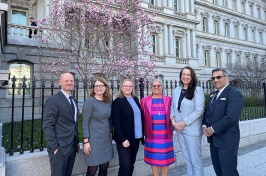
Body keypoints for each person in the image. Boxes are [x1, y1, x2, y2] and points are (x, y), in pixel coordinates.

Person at [202, 68, 244, 176]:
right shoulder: (212, 95)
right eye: (213, 78)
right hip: (214, 141)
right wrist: (204, 125)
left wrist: (213, 129)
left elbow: (230, 117)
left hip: (227, 141)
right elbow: (207, 113)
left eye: (218, 77)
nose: (215, 80)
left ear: (226, 78)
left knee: (229, 172)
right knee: (219, 171)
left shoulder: (234, 94)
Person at [42, 72, 79, 176]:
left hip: (72, 146)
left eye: (71, 81)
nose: (69, 83)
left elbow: (73, 123)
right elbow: (47, 125)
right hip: (59, 148)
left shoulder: (73, 101)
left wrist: (76, 141)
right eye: (66, 81)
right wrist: (54, 147)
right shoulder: (53, 100)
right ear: (60, 82)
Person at [171, 66, 205, 176]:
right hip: (179, 130)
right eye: (183, 74)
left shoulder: (197, 90)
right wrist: (173, 121)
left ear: (192, 76)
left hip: (192, 130)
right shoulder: (177, 90)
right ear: (180, 76)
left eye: (188, 75)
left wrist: (183, 122)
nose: (185, 77)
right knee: (187, 160)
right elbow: (173, 107)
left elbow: (199, 110)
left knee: (195, 161)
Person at [141, 78, 175, 176]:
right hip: (152, 136)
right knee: (154, 159)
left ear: (162, 87)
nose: (156, 88)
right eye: (154, 86)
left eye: (158, 86)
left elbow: (174, 114)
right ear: (151, 87)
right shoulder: (144, 101)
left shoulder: (168, 99)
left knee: (165, 159)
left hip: (165, 135)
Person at [112, 79, 144, 176]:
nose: (127, 88)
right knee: (125, 165)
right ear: (121, 88)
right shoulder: (118, 101)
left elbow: (139, 117)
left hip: (136, 137)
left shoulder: (135, 99)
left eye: (130, 86)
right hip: (124, 139)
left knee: (131, 164)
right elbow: (116, 123)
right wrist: (123, 139)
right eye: (125, 86)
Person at [82, 77, 114, 176]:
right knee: (92, 167)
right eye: (96, 86)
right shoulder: (90, 102)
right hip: (93, 140)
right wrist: (86, 141)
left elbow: (110, 119)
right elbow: (84, 122)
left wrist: (111, 134)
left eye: (101, 86)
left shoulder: (108, 101)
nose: (98, 88)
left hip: (105, 139)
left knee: (104, 166)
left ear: (105, 87)